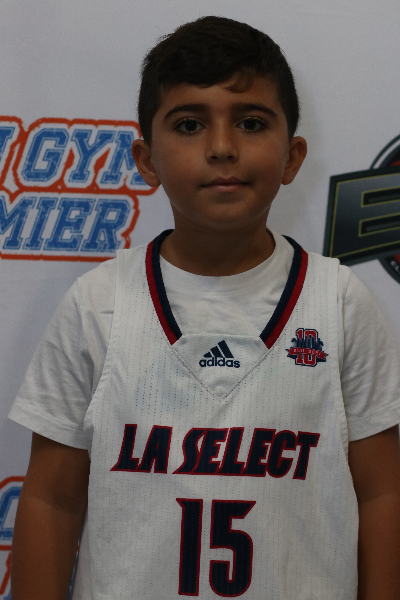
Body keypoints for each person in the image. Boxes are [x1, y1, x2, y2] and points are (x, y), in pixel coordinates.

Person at [9, 15, 400, 600]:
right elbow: (52, 500)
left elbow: (381, 494)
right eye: (189, 125)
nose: (221, 148)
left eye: (250, 123)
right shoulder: (98, 304)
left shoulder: (339, 303)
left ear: (292, 157)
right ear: (146, 160)